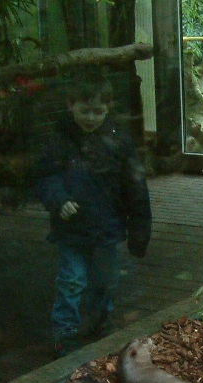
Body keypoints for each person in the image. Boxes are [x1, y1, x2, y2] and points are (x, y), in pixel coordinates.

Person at [35, 73, 152, 356]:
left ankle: (100, 320)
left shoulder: (118, 141)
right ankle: (64, 330)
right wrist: (59, 200)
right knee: (72, 279)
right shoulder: (60, 141)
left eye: (98, 111)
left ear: (108, 108)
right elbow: (46, 177)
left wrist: (139, 228)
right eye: (84, 110)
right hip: (72, 228)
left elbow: (135, 186)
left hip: (106, 227)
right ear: (70, 105)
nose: (91, 118)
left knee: (105, 279)